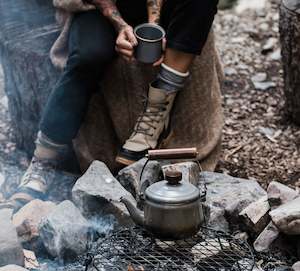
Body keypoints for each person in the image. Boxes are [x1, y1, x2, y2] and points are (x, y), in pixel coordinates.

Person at [11, 0, 219, 205]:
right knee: (89, 56)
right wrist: (119, 24)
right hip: (97, 7)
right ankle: (43, 162)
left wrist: (152, 24)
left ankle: (156, 112)